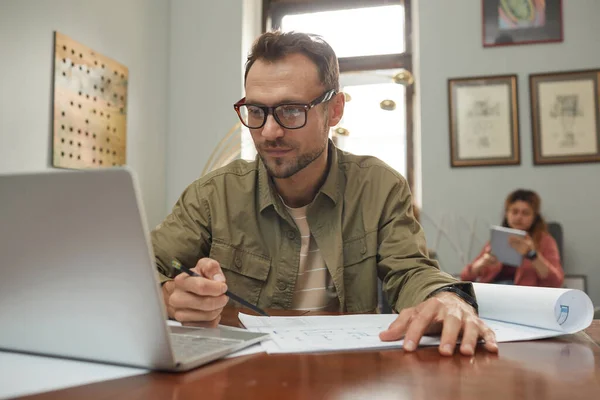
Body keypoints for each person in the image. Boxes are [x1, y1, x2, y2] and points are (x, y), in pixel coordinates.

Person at [152, 31, 497, 356]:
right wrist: (167, 297)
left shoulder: (379, 187)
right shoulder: (212, 195)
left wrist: (447, 297)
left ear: (334, 110)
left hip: (348, 374)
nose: (269, 131)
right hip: (241, 374)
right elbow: (143, 268)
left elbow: (411, 271)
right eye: (256, 111)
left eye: (291, 111)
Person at [460, 189, 563, 287]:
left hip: (524, 296)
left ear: (534, 217)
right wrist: (483, 261)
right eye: (514, 212)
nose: (519, 217)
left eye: (525, 213)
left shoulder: (545, 241)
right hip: (493, 291)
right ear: (507, 214)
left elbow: (556, 282)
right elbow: (464, 277)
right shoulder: (499, 237)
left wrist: (532, 255)